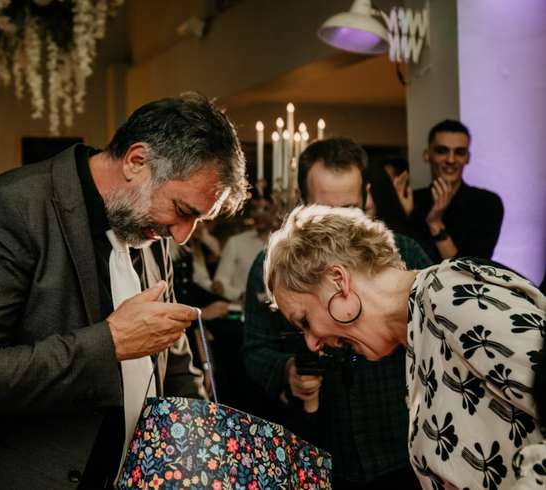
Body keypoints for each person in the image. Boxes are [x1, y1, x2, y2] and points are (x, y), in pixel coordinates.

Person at [0, 93, 249, 490]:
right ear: (136, 161)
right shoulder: (14, 207)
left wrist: (201, 447)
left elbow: (172, 360)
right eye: (183, 210)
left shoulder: (150, 228)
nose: (183, 235)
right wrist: (109, 343)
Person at [264, 204, 545, 490]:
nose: (311, 343)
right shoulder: (418, 335)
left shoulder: (448, 296)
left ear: (338, 281)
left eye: (305, 321)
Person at [243, 138, 430, 489]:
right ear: (302, 203)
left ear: (367, 197)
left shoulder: (406, 254)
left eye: (350, 209)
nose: (340, 223)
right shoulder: (274, 268)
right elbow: (255, 349)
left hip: (402, 448)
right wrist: (287, 372)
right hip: (320, 448)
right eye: (326, 211)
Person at [392, 119, 504, 262]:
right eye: (442, 151)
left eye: (459, 152)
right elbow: (404, 260)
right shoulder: (412, 200)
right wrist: (406, 216)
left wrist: (435, 223)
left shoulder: (487, 203)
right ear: (427, 155)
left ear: (468, 158)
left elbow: (471, 270)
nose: (451, 160)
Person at [212, 196, 274, 302]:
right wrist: (242, 295)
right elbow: (220, 282)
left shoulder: (285, 243)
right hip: (242, 308)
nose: (259, 214)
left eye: (266, 209)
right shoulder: (236, 242)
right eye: (254, 209)